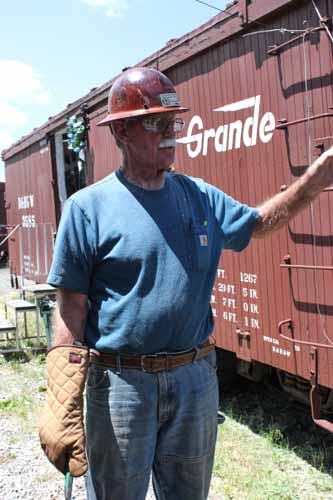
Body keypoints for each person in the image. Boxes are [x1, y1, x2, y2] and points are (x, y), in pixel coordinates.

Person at [39, 67, 333, 500]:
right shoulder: (88, 209)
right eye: (156, 122)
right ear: (121, 130)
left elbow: (258, 224)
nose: (171, 133)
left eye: (174, 122)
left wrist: (313, 185)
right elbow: (71, 308)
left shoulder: (199, 196)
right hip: (121, 385)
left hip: (194, 379)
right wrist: (62, 396)